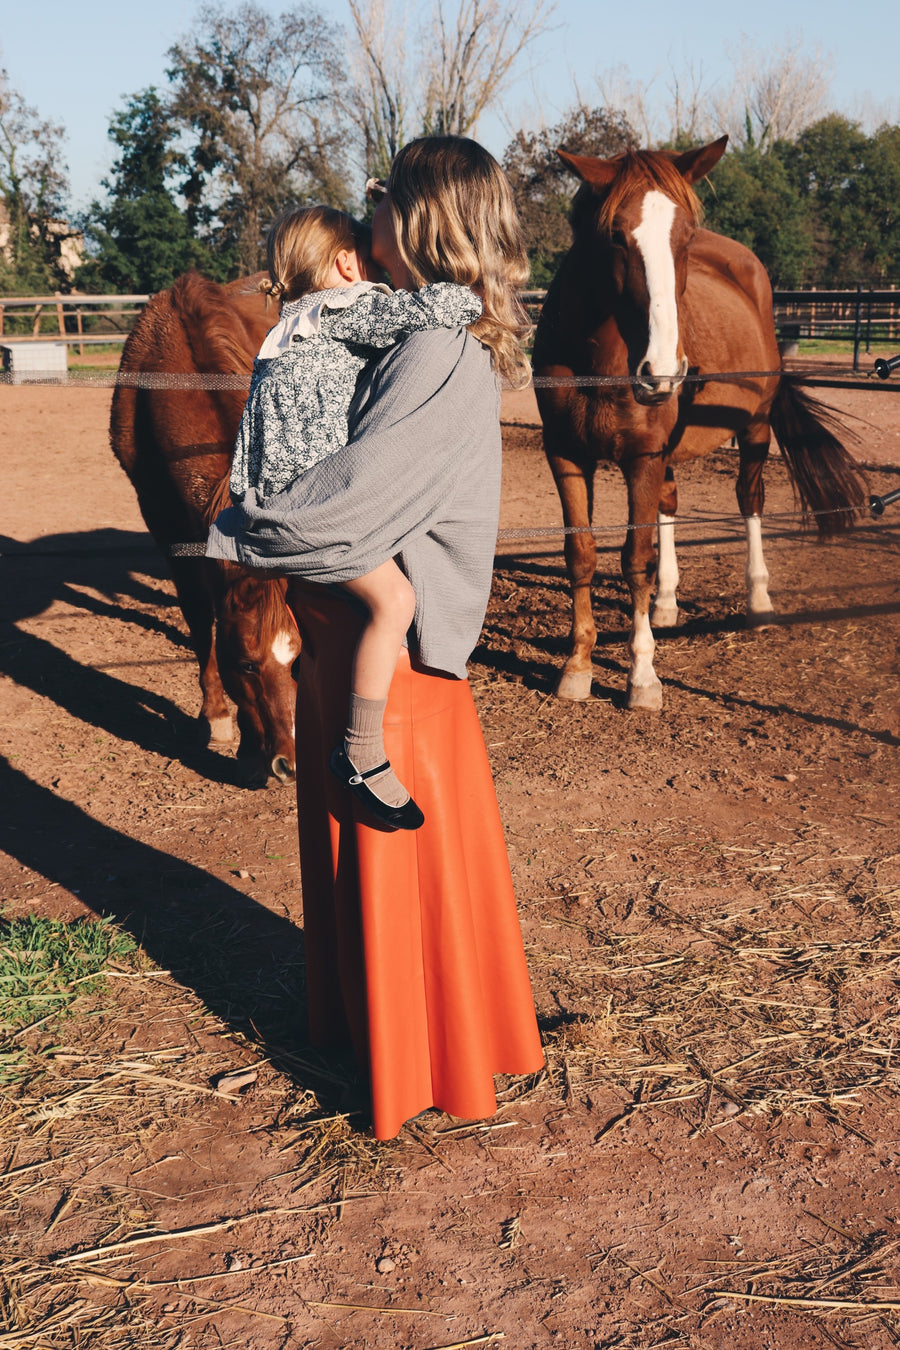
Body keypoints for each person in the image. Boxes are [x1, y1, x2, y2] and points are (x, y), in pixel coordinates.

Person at [208, 135, 545, 1140]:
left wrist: (248, 527)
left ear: (424, 219)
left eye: (388, 197)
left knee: (398, 876)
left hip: (389, 674)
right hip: (348, 645)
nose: (371, 212)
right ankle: (375, 1033)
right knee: (364, 868)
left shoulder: (438, 352)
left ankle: (417, 1067)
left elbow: (352, 504)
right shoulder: (397, 335)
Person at [229, 204, 483, 828]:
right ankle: (363, 751)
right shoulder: (342, 309)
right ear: (346, 264)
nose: (383, 276)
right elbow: (431, 310)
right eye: (372, 260)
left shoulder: (285, 326)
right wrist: (474, 291)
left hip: (266, 497)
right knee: (395, 602)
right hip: (306, 504)